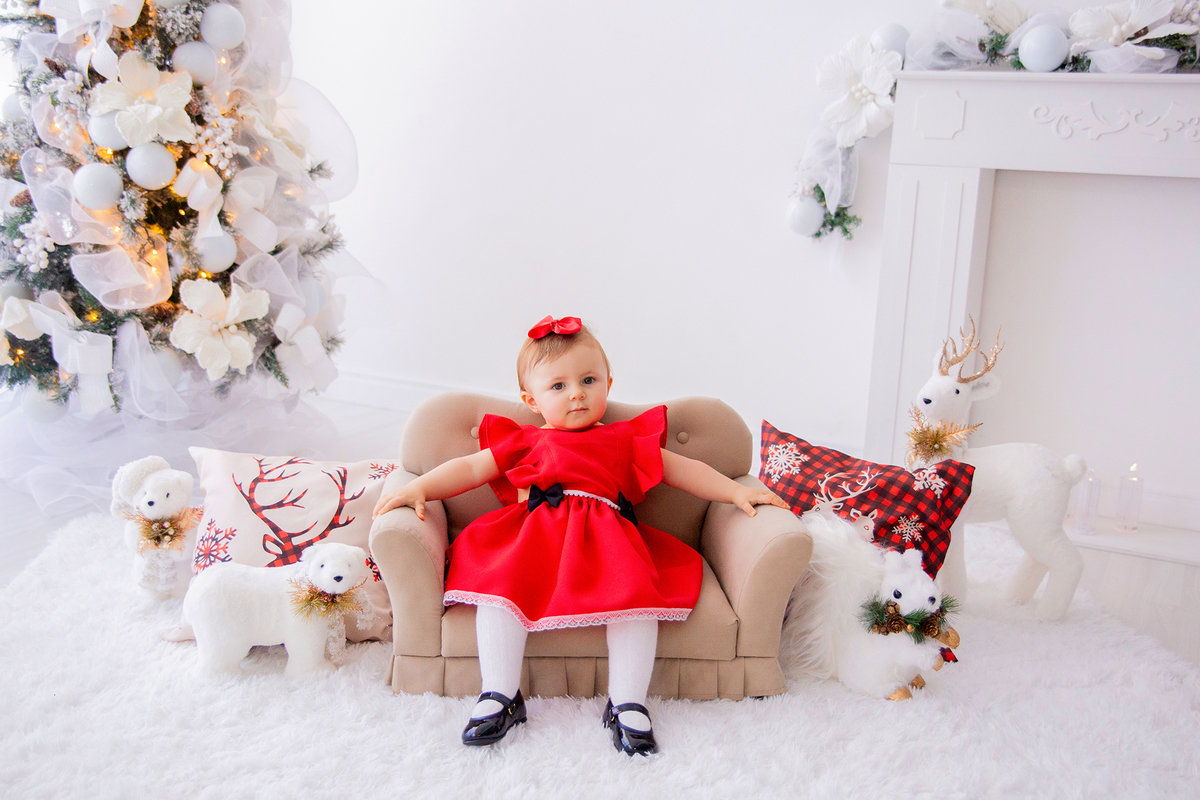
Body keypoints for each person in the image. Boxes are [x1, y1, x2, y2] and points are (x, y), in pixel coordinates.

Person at [373, 315, 787, 755]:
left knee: (635, 601)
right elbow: (471, 469)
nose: (577, 393)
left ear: (608, 382)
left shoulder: (624, 439)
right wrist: (419, 487)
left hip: (607, 541)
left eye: (588, 379)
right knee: (499, 592)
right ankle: (499, 694)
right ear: (531, 400)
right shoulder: (526, 440)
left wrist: (736, 492)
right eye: (558, 386)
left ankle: (627, 701)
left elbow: (685, 471)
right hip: (532, 538)